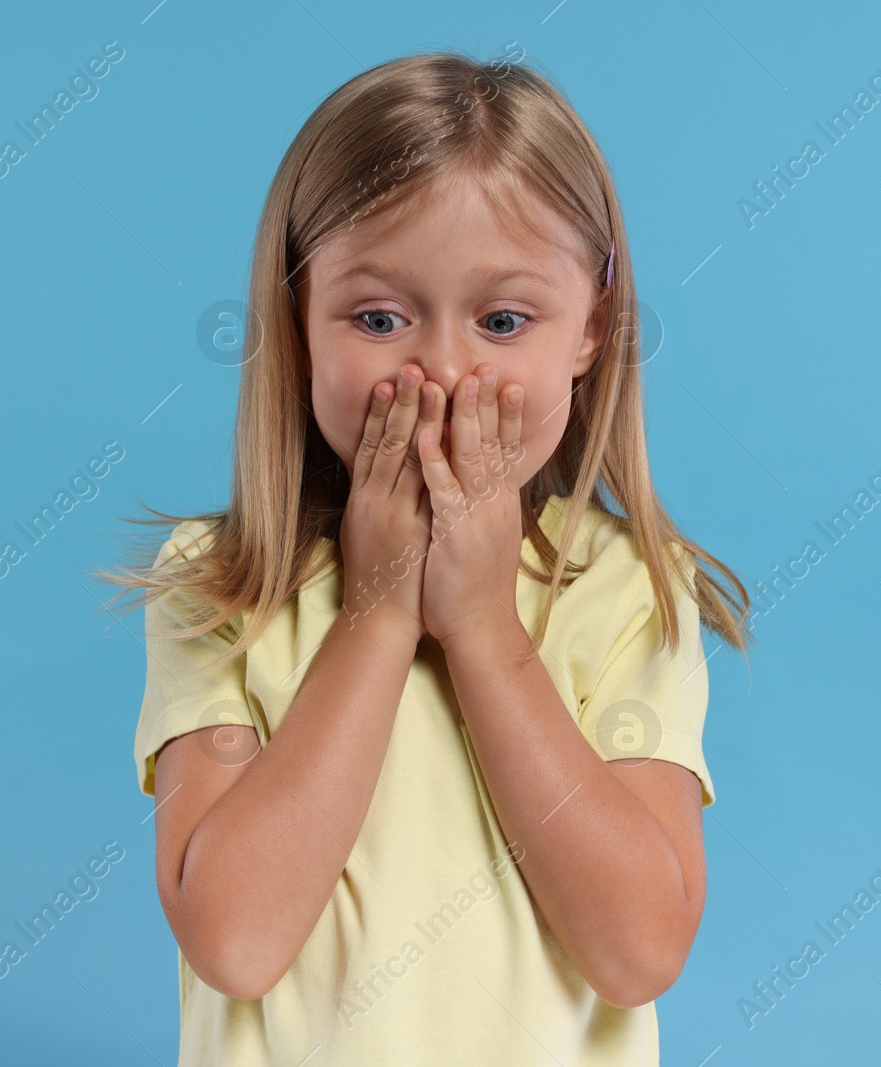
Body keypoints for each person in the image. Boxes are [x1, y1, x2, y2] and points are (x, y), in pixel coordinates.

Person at [98, 46, 752, 1067]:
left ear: (591, 329)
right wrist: (377, 610)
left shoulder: (626, 593)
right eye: (378, 317)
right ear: (298, 323)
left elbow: (636, 951)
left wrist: (485, 628)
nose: (443, 368)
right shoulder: (220, 583)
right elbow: (234, 939)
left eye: (502, 319)